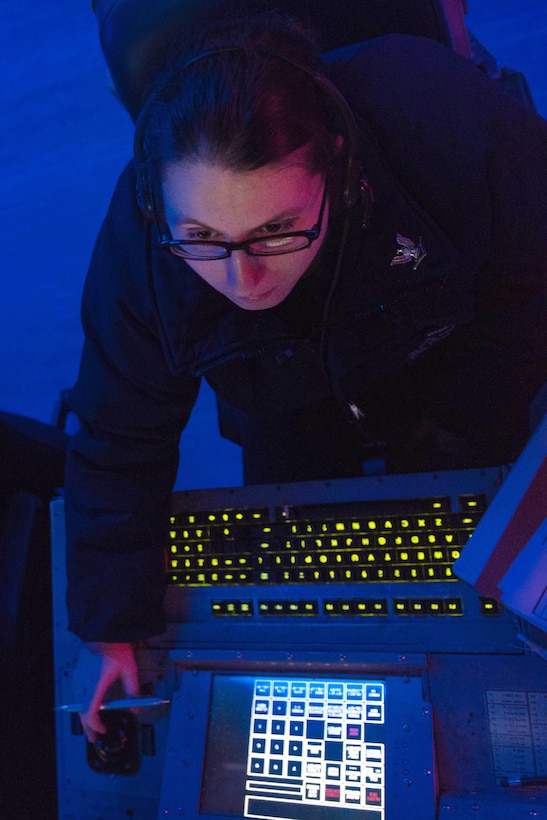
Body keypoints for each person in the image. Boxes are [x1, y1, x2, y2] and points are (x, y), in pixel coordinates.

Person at [64, 13, 547, 740]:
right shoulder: (141, 250)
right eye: (200, 238)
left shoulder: (450, 126)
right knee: (296, 520)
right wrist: (111, 627)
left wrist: (467, 425)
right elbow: (116, 431)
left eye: (274, 229)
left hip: (444, 341)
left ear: (342, 171)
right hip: (274, 382)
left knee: (469, 494)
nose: (242, 278)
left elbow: (530, 282)